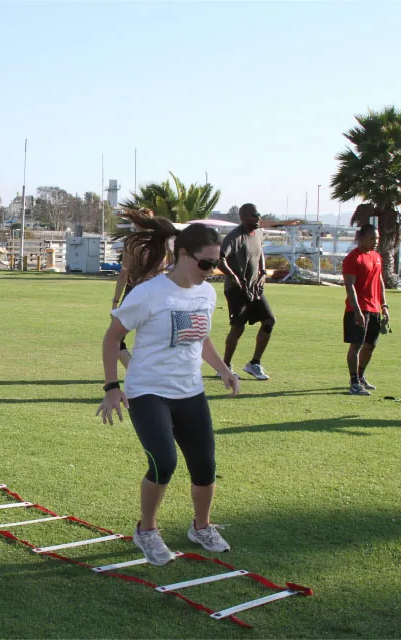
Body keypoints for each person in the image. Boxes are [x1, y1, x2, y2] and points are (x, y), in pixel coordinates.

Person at [97, 221, 240, 566]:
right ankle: (147, 531)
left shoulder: (207, 294)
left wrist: (223, 370)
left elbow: (200, 335)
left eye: (215, 264)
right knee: (163, 461)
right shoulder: (148, 294)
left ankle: (201, 527)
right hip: (148, 391)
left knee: (205, 467)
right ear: (182, 255)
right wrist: (112, 387)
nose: (210, 271)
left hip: (190, 392)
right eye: (205, 263)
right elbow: (112, 337)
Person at [218, 203, 275, 380]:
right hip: (236, 290)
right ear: (242, 218)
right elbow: (220, 259)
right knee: (238, 327)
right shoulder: (235, 237)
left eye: (258, 215)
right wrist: (234, 277)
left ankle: (254, 363)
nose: (257, 218)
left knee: (269, 320)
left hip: (254, 288)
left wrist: (263, 272)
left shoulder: (258, 233)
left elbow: (260, 253)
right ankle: (224, 367)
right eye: (253, 215)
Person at [110, 209, 171, 368]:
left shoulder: (133, 243)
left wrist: (116, 301)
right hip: (159, 292)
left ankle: (134, 371)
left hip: (135, 292)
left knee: (115, 338)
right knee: (154, 337)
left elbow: (124, 273)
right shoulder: (163, 241)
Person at [342, 224, 389, 396]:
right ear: (361, 238)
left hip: (375, 308)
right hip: (358, 308)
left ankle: (361, 376)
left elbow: (380, 282)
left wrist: (384, 305)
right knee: (356, 346)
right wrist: (356, 310)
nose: (376, 242)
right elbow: (350, 286)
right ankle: (354, 382)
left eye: (377, 238)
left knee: (370, 345)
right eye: (372, 238)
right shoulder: (353, 258)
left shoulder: (376, 256)